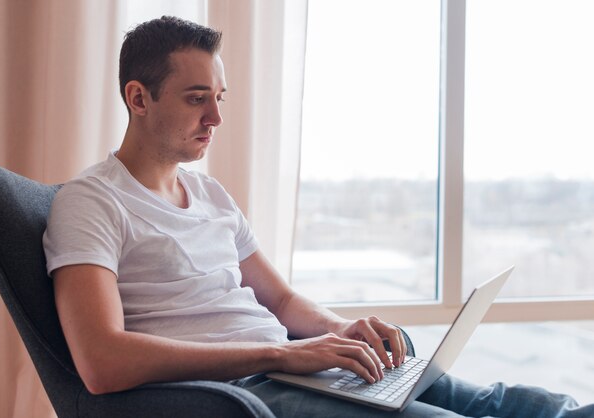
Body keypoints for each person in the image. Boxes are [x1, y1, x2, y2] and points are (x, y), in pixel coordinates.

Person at [43, 16, 592, 418]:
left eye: (220, 98)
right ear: (138, 98)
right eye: (195, 99)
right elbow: (101, 360)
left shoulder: (210, 194)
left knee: (516, 404)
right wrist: (285, 353)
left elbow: (280, 302)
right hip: (239, 394)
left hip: (294, 371)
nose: (215, 117)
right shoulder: (91, 202)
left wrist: (338, 332)